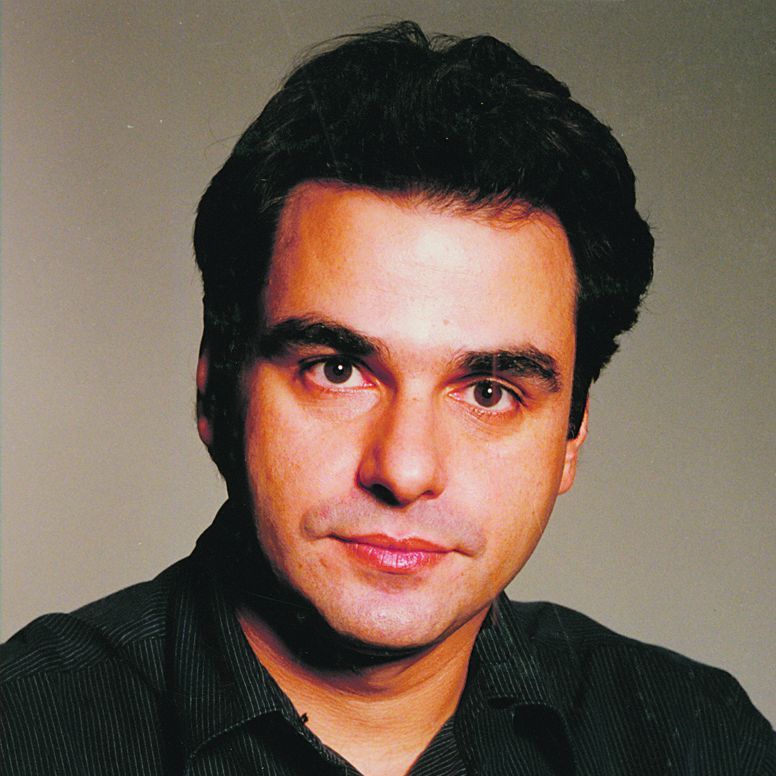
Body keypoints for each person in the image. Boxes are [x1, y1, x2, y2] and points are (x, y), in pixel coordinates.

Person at [2, 21, 773, 776]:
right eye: (338, 370)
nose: (404, 471)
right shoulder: (25, 732)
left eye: (489, 392)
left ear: (571, 437)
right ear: (216, 392)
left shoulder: (698, 741)